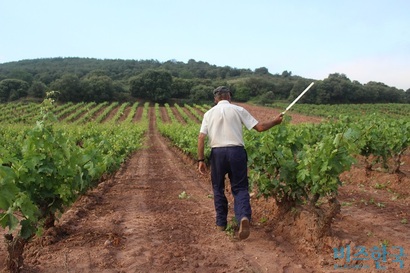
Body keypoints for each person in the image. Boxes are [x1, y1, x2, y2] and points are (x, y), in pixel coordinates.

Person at [197, 86, 283, 240]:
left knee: (218, 187)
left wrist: (201, 160)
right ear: (229, 96)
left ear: (215, 99)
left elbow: (201, 138)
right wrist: (275, 122)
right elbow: (260, 128)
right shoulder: (238, 110)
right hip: (236, 152)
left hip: (217, 153)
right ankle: (243, 216)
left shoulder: (208, 114)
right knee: (240, 187)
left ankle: (221, 223)